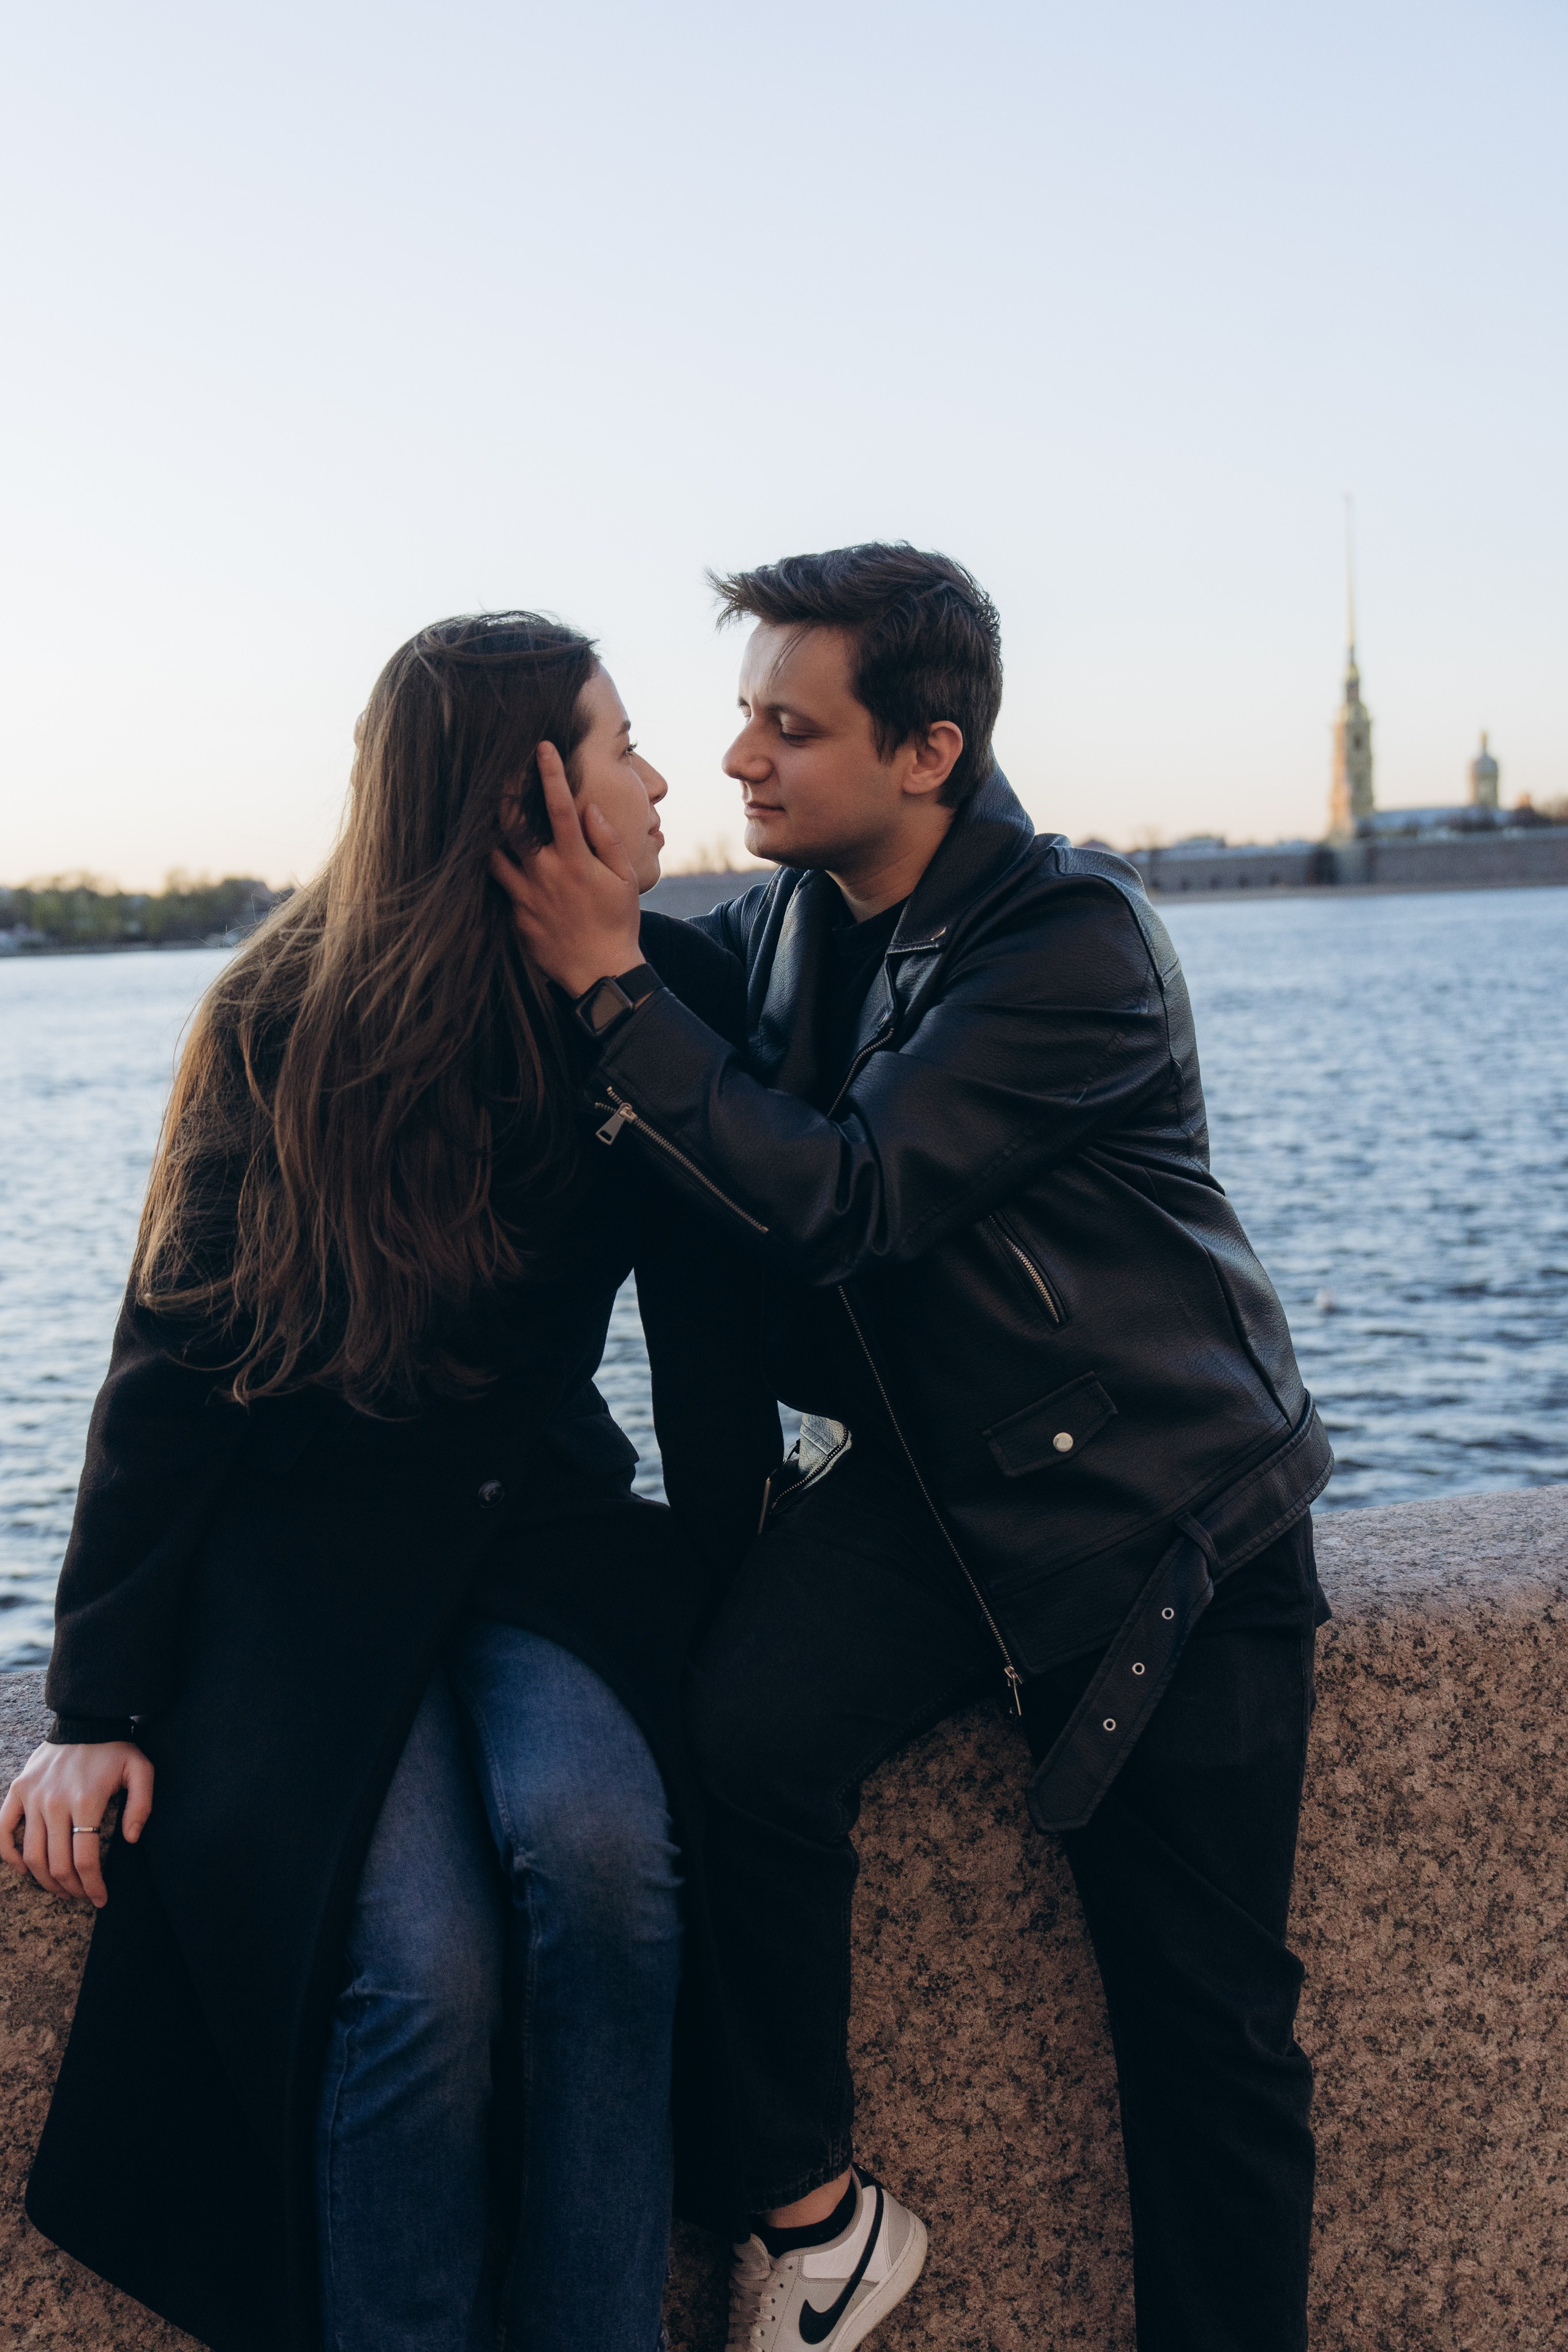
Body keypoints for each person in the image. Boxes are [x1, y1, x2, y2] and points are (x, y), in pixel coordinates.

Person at [491, 543, 1335, 2352]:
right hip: (940, 1493)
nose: (738, 761)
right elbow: (635, 1000)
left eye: (791, 729)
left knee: (1208, 2037)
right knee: (738, 1740)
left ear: (929, 752)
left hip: (1160, 1524)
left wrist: (609, 991)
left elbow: (841, 1198)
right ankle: (815, 2210)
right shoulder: (792, 926)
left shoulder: (1069, 943)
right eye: (734, 720)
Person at [2, 613, 779, 2352]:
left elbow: (711, 1353)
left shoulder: (670, 994)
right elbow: (169, 1370)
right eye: (624, 743)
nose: (661, 780)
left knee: (602, 1854)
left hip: (543, 1536)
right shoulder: (287, 1017)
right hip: (299, 1576)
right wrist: (100, 1694)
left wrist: (756, 1598)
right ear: (532, 795)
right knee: (416, 1969)